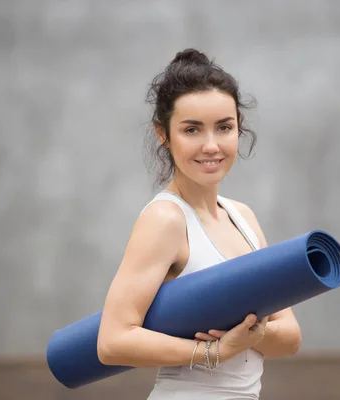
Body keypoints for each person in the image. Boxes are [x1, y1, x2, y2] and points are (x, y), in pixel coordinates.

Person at [96, 48, 302, 399]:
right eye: (192, 129)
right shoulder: (165, 219)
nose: (211, 145)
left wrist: (245, 332)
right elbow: (112, 342)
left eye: (224, 127)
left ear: (239, 127)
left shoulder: (243, 216)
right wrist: (214, 351)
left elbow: (290, 338)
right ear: (163, 134)